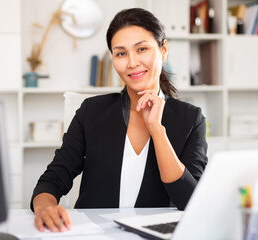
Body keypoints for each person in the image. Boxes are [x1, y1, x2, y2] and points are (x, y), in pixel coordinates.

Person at [30, 8, 208, 233]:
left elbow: (191, 201)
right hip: (93, 234)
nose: (132, 62)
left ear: (163, 50)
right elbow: (53, 179)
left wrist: (157, 130)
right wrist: (45, 207)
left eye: (142, 49)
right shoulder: (91, 111)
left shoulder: (191, 119)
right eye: (121, 53)